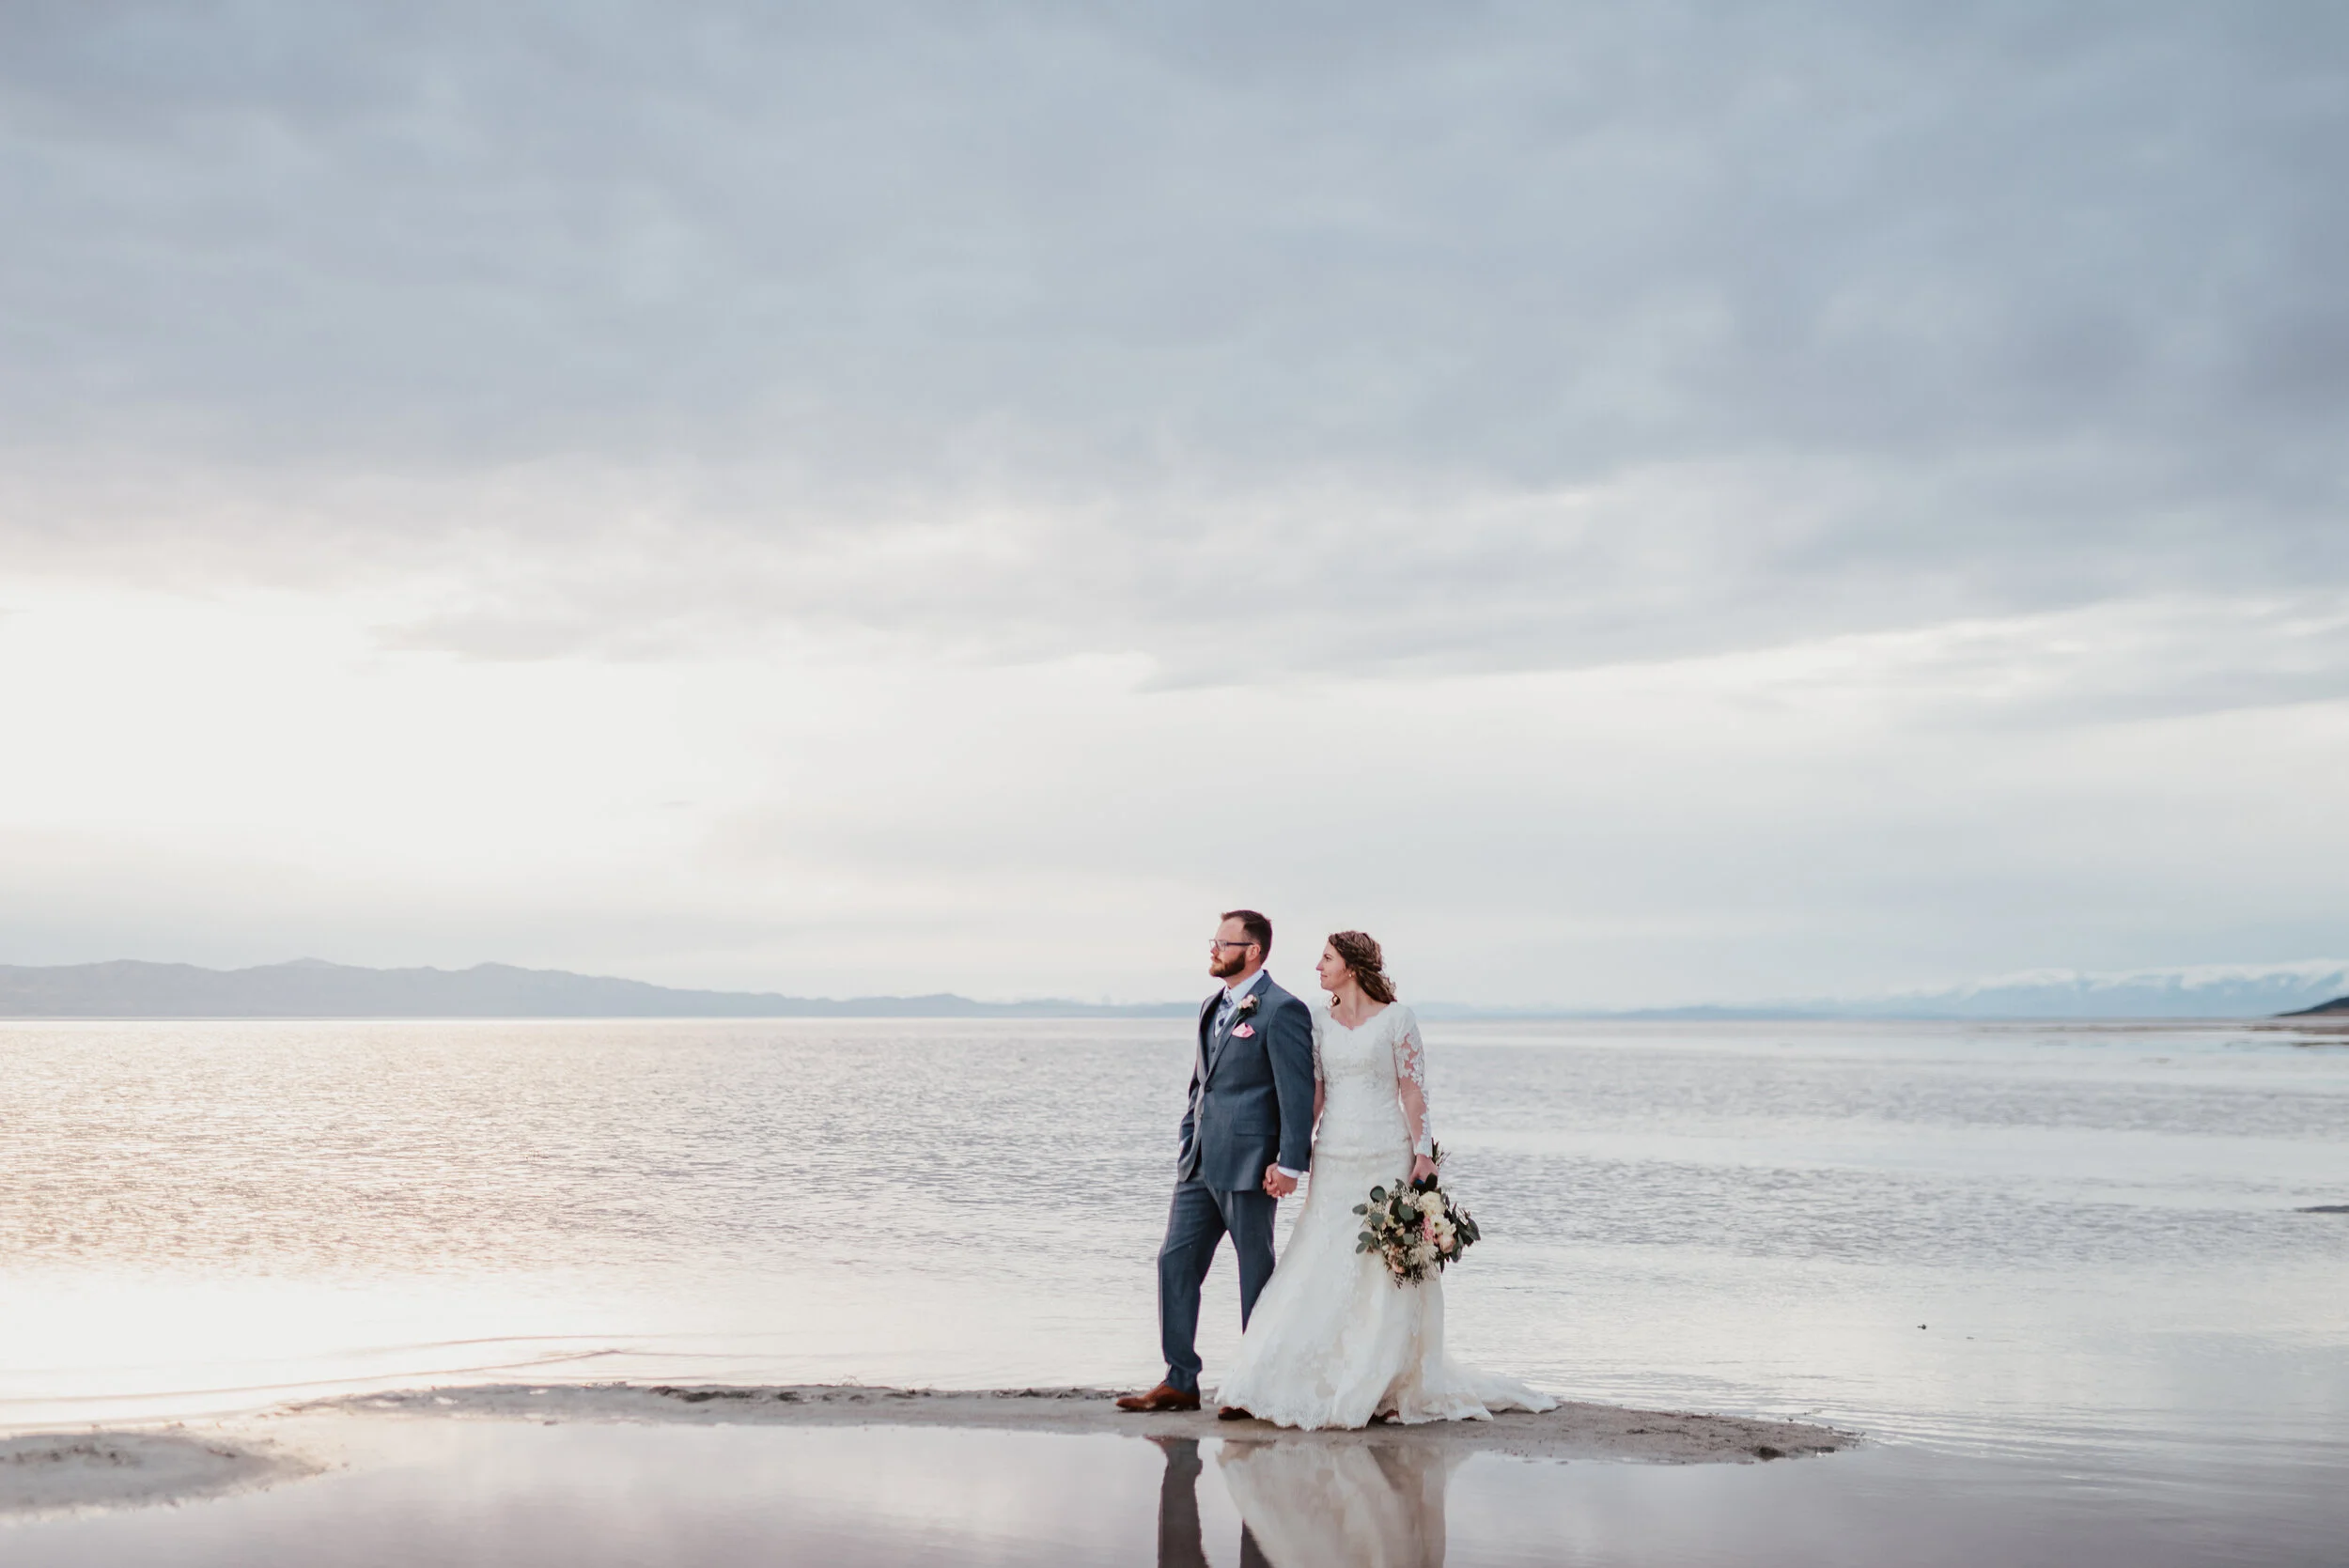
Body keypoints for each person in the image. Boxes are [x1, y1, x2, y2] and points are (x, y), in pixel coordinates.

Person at [1209, 930, 1557, 1428]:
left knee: (1383, 1265)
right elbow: (1315, 1095)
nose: (1318, 967)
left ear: (1351, 967)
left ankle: (1389, 1385)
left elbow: (1413, 1091)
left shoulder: (1398, 1019)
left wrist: (1423, 1152)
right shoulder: (1318, 1021)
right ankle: (1284, 1376)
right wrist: (1290, 1157)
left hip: (1386, 1154)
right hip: (1334, 1155)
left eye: (1326, 958)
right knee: (1316, 1257)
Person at [1116, 909, 1316, 1413]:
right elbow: (1200, 1085)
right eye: (1215, 940)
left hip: (1251, 1165)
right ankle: (1180, 1380)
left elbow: (1295, 1095)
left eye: (1224, 943)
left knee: (1255, 1273)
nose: (1213, 949)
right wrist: (1188, 1138)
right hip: (1198, 1164)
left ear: (1253, 951)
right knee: (1174, 1261)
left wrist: (1290, 1164)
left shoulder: (1283, 1010)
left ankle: (1255, 1386)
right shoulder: (1211, 1005)